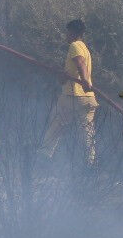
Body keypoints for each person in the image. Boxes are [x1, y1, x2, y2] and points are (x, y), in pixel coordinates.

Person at [42, 17, 98, 163]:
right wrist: (63, 76)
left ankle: (43, 156)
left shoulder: (75, 46)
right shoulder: (85, 48)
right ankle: (91, 164)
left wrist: (85, 80)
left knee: (57, 124)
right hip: (87, 98)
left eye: (67, 32)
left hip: (72, 96)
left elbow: (80, 63)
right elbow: (69, 76)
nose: (66, 35)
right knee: (87, 133)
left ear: (72, 32)